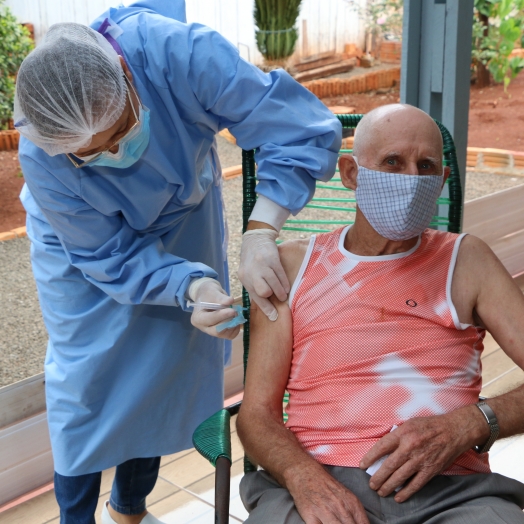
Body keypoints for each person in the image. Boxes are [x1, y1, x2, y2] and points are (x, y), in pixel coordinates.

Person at [13, 1, 341, 523]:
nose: (116, 154)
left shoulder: (178, 55)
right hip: (85, 250)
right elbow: (108, 252)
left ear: (125, 74)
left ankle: (130, 507)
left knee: (165, 370)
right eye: (92, 154)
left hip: (183, 213)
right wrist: (187, 287)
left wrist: (261, 230)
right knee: (84, 392)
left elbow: (296, 126)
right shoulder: (45, 156)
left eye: (120, 130)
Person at [237, 104, 524, 524]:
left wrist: (470, 423)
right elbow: (256, 415)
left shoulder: (466, 261)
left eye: (426, 166)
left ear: (442, 181)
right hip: (317, 482)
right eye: (393, 162)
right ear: (352, 174)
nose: (412, 179)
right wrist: (304, 478)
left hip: (451, 492)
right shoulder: (293, 268)